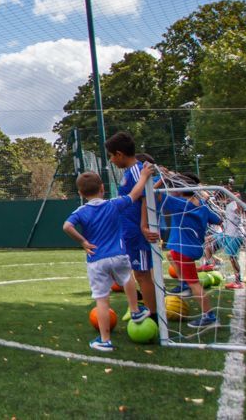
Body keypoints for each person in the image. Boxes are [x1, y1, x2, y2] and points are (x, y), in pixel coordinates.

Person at [63, 164, 156, 351]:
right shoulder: (114, 204)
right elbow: (136, 194)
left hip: (96, 260)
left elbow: (66, 226)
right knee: (128, 276)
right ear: (103, 188)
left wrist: (83, 242)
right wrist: (144, 176)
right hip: (118, 255)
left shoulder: (81, 212)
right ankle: (135, 310)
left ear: (81, 193)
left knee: (102, 300)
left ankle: (105, 340)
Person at [154, 172, 222, 328]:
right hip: (194, 248)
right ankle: (184, 284)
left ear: (179, 189)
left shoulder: (179, 204)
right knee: (170, 255)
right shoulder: (202, 205)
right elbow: (218, 220)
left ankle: (209, 316)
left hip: (182, 248)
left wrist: (162, 179)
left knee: (195, 284)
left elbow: (151, 195)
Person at [106, 132, 157, 314]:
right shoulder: (130, 172)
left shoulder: (137, 171)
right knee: (138, 273)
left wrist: (143, 225)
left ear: (119, 154)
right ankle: (147, 309)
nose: (111, 160)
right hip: (129, 230)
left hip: (137, 231)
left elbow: (144, 198)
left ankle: (153, 316)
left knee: (143, 274)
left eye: (112, 156)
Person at [212, 179, 245, 290]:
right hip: (227, 235)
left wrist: (237, 198)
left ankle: (238, 281)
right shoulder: (227, 204)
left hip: (235, 235)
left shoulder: (235, 202)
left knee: (232, 258)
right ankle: (212, 262)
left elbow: (240, 209)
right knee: (208, 241)